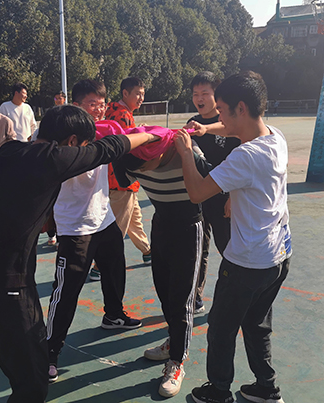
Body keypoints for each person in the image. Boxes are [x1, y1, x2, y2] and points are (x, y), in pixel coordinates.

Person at [0, 105, 158, 402]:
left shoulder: (9, 151)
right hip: (8, 295)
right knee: (33, 385)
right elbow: (111, 147)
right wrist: (151, 135)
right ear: (72, 142)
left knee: (20, 374)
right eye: (81, 146)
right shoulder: (53, 160)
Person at [179, 72, 291, 403]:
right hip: (278, 254)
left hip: (246, 261)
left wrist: (186, 152)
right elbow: (234, 139)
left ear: (240, 108)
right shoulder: (275, 136)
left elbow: (198, 192)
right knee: (257, 324)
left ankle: (218, 391)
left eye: (222, 110)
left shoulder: (245, 156)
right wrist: (204, 132)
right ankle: (266, 387)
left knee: (221, 328)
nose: (218, 118)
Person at [46, 80, 143, 383]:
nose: (99, 110)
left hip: (103, 217)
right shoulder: (60, 137)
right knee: (66, 291)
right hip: (74, 226)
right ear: (76, 106)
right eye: (92, 104)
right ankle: (49, 351)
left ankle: (114, 315)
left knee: (115, 270)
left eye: (102, 104)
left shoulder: (103, 130)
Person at [113, 129, 210, 398]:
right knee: (164, 291)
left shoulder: (187, 151)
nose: (142, 171)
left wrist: (188, 153)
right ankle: (173, 341)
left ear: (156, 152)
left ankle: (177, 362)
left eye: (146, 165)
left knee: (182, 298)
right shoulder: (131, 161)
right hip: (161, 225)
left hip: (189, 228)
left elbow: (218, 181)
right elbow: (121, 170)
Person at [186, 71, 241, 314]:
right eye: (195, 94)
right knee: (197, 249)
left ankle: (236, 297)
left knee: (228, 248)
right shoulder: (192, 122)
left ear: (216, 95)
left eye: (205, 93)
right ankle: (196, 297)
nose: (199, 98)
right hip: (199, 197)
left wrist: (232, 196)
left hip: (223, 197)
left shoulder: (228, 121)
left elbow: (239, 163)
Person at [104, 77, 151, 280]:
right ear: (125, 93)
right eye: (137, 94)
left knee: (134, 219)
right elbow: (127, 146)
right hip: (121, 179)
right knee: (118, 226)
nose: (141, 98)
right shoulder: (122, 115)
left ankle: (147, 251)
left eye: (143, 94)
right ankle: (100, 266)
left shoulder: (115, 111)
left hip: (121, 179)